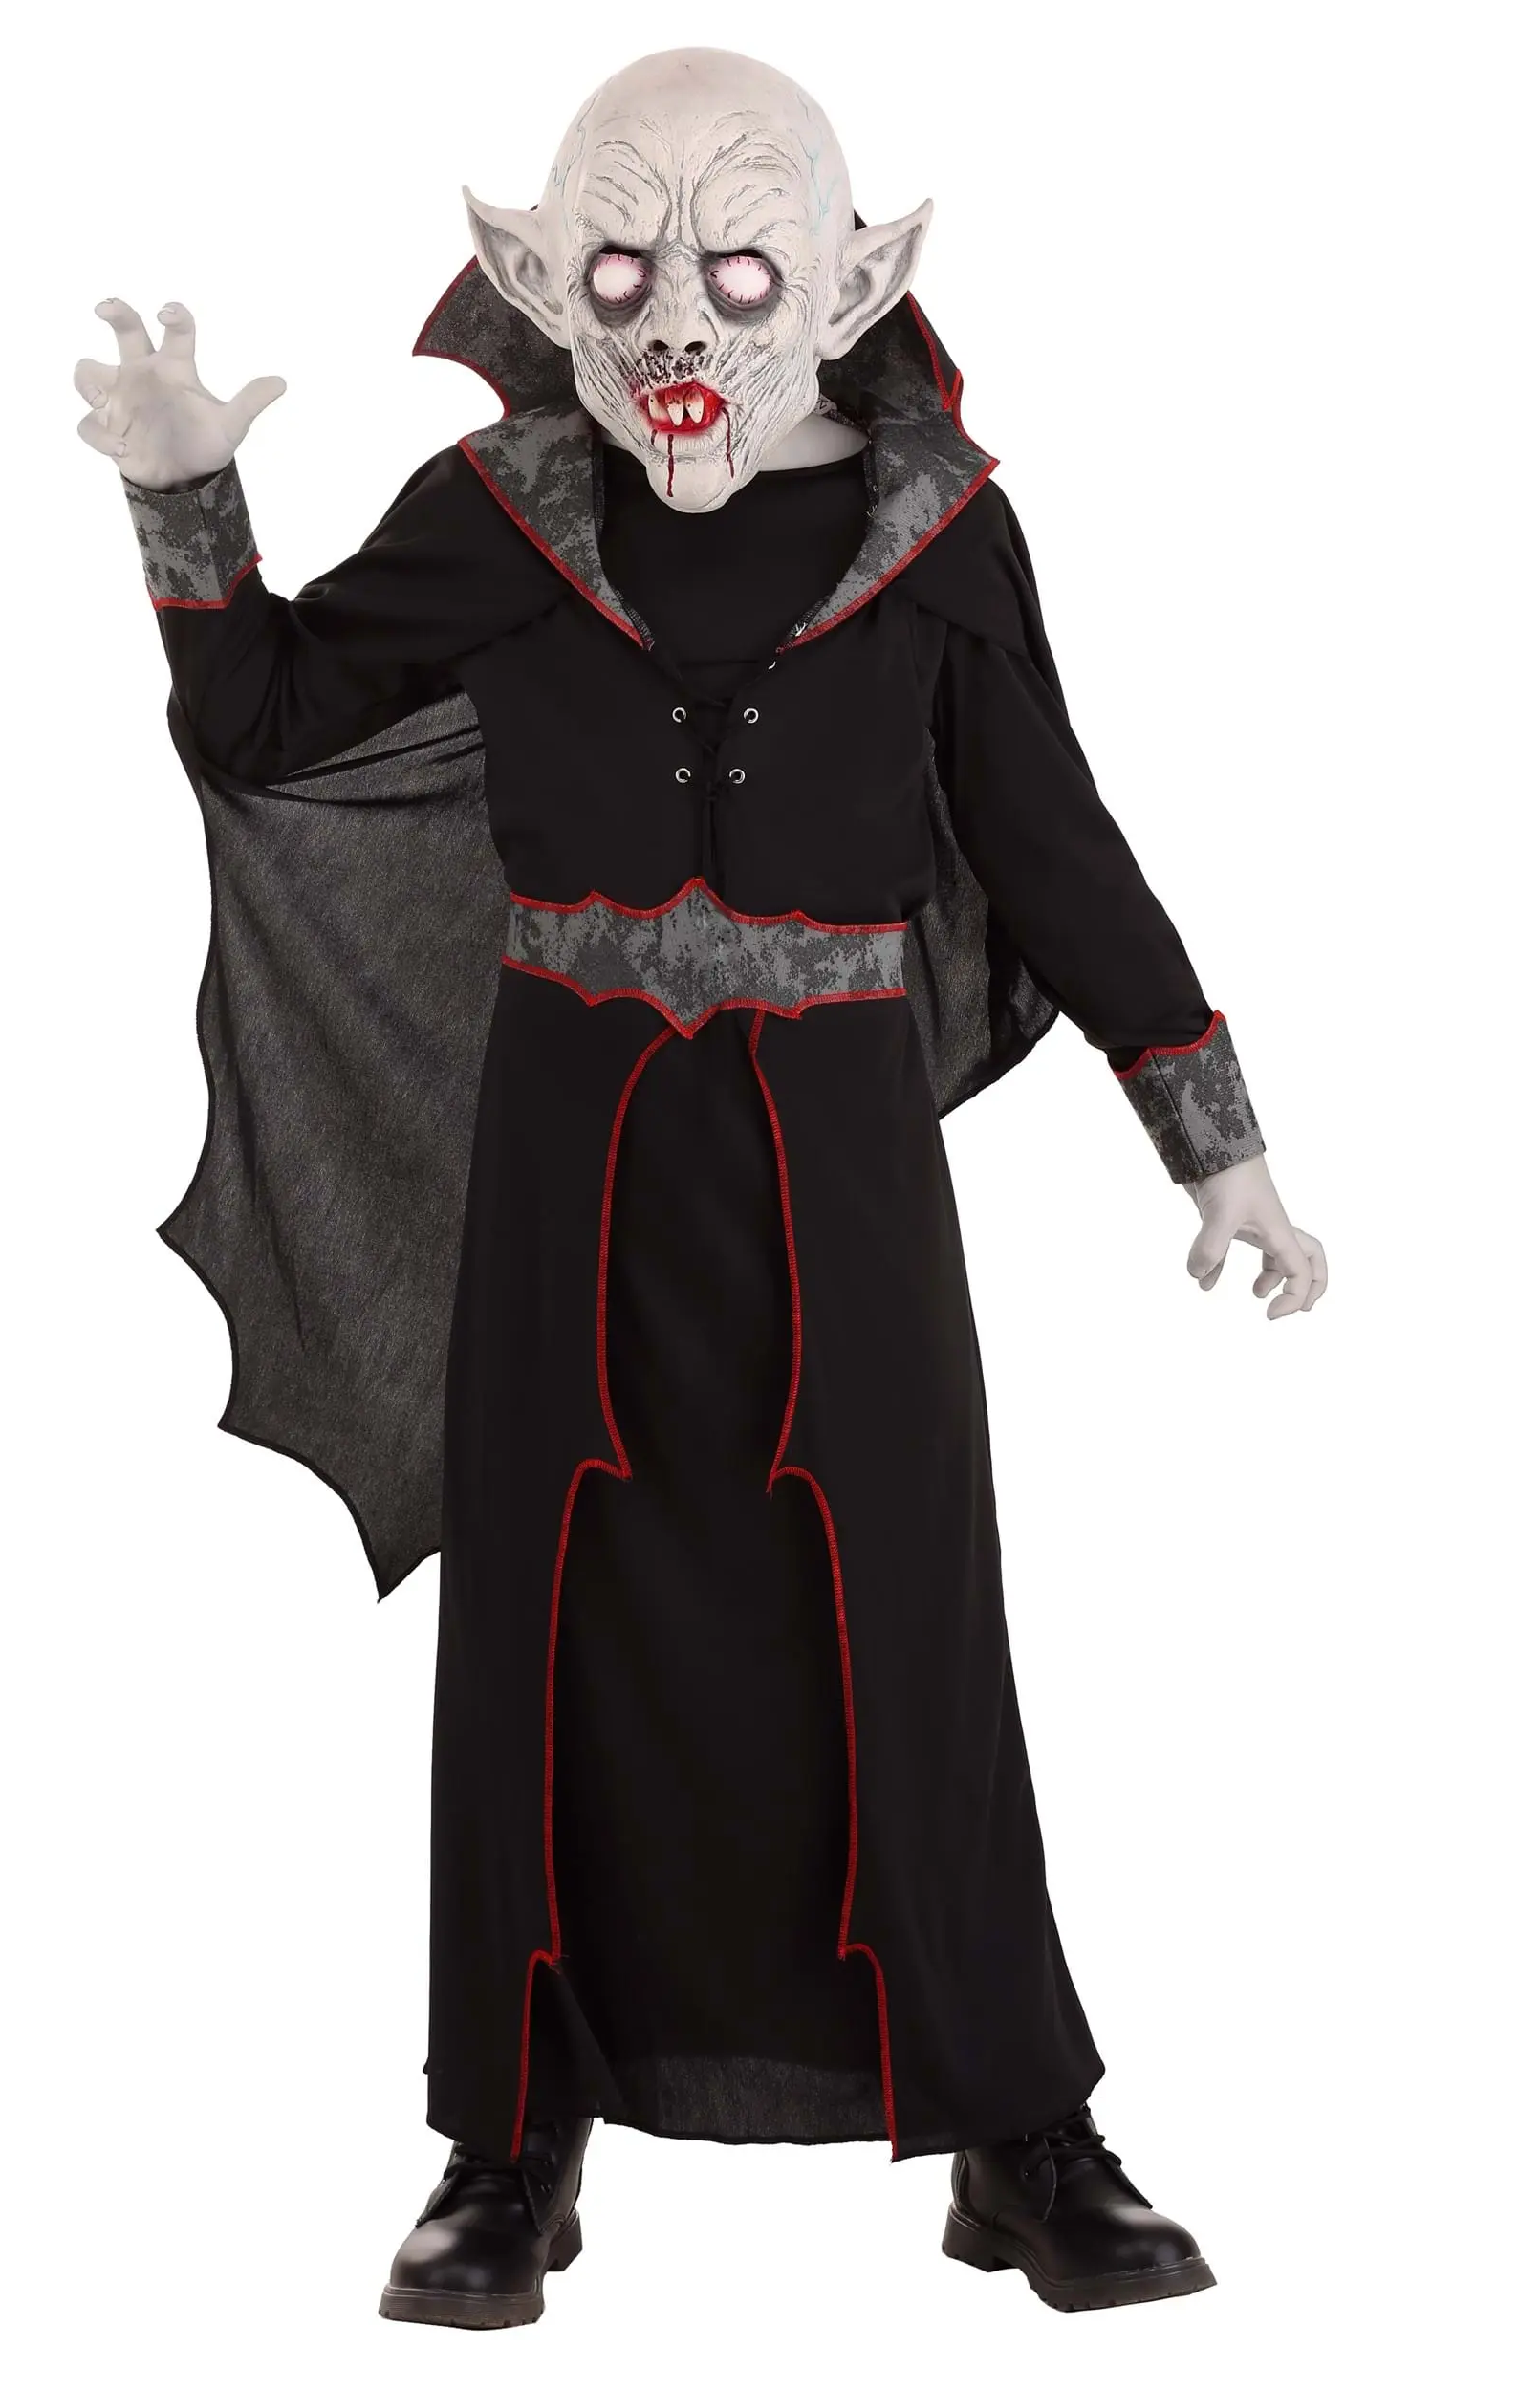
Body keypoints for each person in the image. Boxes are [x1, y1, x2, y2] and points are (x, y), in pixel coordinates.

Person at [74, 44, 1326, 2326]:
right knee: (547, 1605)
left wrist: (1210, 1134)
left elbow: (1050, 840)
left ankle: (1014, 2124)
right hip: (568, 1154)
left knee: (900, 1606)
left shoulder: (936, 528)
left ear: (849, 279)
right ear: (535, 271)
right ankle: (505, 2134)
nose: (675, 318)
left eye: (738, 268)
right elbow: (260, 720)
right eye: (620, 268)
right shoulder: (505, 506)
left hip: (837, 1162)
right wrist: (185, 509)